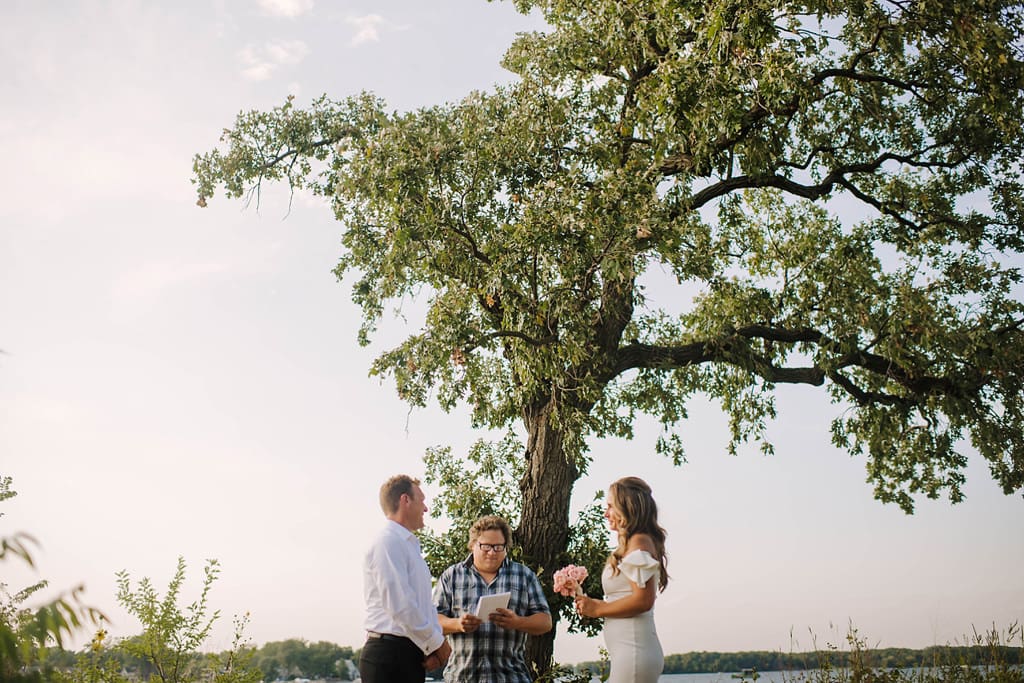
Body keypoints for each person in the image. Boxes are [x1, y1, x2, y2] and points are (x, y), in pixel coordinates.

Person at [572, 476, 669, 683]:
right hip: (629, 652)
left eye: (610, 506)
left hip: (634, 653)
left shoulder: (639, 543)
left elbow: (643, 600)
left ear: (628, 508)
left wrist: (598, 609)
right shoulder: (633, 544)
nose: (606, 513)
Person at [433, 515, 552, 682]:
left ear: (506, 547)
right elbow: (433, 621)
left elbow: (545, 622)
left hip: (510, 677)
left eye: (498, 547)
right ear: (473, 545)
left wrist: (517, 622)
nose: (492, 552)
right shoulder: (451, 576)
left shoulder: (524, 576)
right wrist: (458, 624)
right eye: (486, 546)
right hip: (462, 678)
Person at [359, 474, 452, 683]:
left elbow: (422, 606)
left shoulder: (408, 546)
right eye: (422, 500)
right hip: (389, 658)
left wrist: (428, 646)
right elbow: (401, 605)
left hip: (407, 655)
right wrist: (437, 644)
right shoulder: (388, 542)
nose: (426, 508)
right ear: (405, 500)